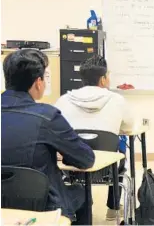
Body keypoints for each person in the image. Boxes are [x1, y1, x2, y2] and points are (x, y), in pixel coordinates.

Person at [1, 49, 95, 224]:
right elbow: (86, 159)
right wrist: (65, 156)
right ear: (38, 82)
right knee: (82, 192)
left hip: (2, 207)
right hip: (43, 206)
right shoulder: (47, 116)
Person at [55, 54, 134, 221]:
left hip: (72, 167)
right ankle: (113, 208)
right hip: (107, 168)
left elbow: (56, 130)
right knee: (120, 145)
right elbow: (128, 126)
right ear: (103, 79)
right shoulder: (117, 100)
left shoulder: (63, 100)